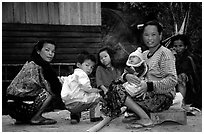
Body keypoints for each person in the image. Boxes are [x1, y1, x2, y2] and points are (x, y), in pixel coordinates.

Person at [100, 20, 178, 127]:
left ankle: (145, 118)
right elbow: (129, 71)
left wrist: (149, 86)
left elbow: (172, 80)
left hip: (162, 97)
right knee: (115, 86)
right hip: (143, 93)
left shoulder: (165, 54)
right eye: (146, 35)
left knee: (118, 90)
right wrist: (127, 76)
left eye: (153, 35)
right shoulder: (143, 55)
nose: (149, 38)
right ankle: (137, 112)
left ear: (160, 35)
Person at [6, 40, 64, 125]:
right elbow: (56, 87)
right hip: (22, 107)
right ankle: (36, 118)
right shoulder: (42, 66)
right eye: (47, 50)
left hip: (11, 108)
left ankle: (22, 119)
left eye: (53, 51)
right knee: (49, 92)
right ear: (38, 51)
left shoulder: (30, 63)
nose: (50, 54)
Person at [60, 51, 103, 124]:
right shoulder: (82, 74)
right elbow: (86, 88)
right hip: (78, 103)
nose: (89, 69)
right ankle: (95, 117)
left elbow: (62, 80)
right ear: (79, 65)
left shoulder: (72, 76)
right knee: (96, 97)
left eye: (92, 67)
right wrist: (95, 90)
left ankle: (75, 117)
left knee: (79, 95)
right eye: (87, 65)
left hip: (68, 104)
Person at [169, 34, 202, 109]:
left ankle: (182, 102)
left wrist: (176, 58)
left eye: (180, 46)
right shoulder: (169, 55)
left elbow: (182, 70)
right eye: (175, 46)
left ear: (185, 47)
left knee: (181, 77)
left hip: (189, 86)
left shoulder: (189, 57)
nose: (178, 48)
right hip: (172, 82)